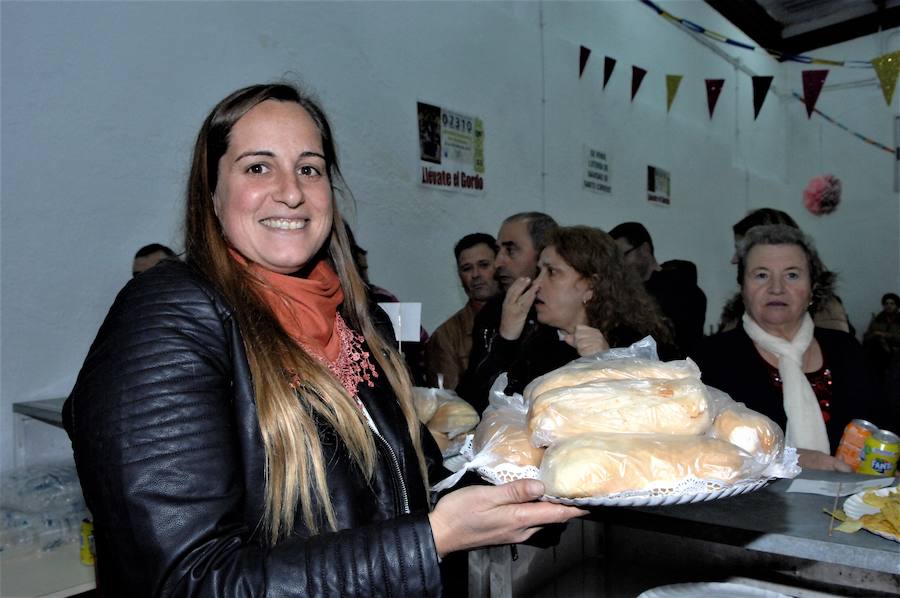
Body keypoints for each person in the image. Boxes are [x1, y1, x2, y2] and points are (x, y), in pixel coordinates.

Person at [63, 83, 585, 596]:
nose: (290, 192)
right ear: (212, 192)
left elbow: (407, 491)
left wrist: (535, 484)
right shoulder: (170, 316)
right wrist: (431, 540)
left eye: (308, 168)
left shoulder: (356, 320)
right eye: (257, 167)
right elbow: (187, 581)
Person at [693, 225, 879, 471]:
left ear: (812, 288)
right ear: (742, 288)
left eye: (792, 275)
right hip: (752, 506)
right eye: (761, 275)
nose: (777, 288)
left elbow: (883, 427)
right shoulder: (712, 357)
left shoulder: (846, 349)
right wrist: (789, 458)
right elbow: (700, 447)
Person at [498, 225, 673, 397]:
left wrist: (609, 366)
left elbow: (662, 409)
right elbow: (487, 410)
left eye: (552, 272)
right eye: (539, 271)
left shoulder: (637, 343)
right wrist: (507, 337)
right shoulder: (536, 341)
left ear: (591, 286)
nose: (536, 284)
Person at [456, 212, 558, 412]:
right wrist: (506, 339)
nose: (498, 262)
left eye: (510, 250)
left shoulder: (568, 315)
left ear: (544, 253)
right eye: (498, 250)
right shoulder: (493, 311)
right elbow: (474, 400)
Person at [717, 208, 851, 333]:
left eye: (740, 250)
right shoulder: (743, 305)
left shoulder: (824, 311)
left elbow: (835, 355)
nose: (734, 259)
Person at [609, 221, 706, 356]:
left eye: (623, 255)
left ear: (644, 249)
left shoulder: (683, 290)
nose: (619, 265)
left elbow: (681, 348)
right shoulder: (623, 293)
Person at [425, 233, 500, 390]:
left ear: (500, 265)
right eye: (467, 268)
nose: (475, 275)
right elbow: (450, 406)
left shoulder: (530, 315)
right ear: (459, 275)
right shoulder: (445, 336)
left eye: (484, 265)